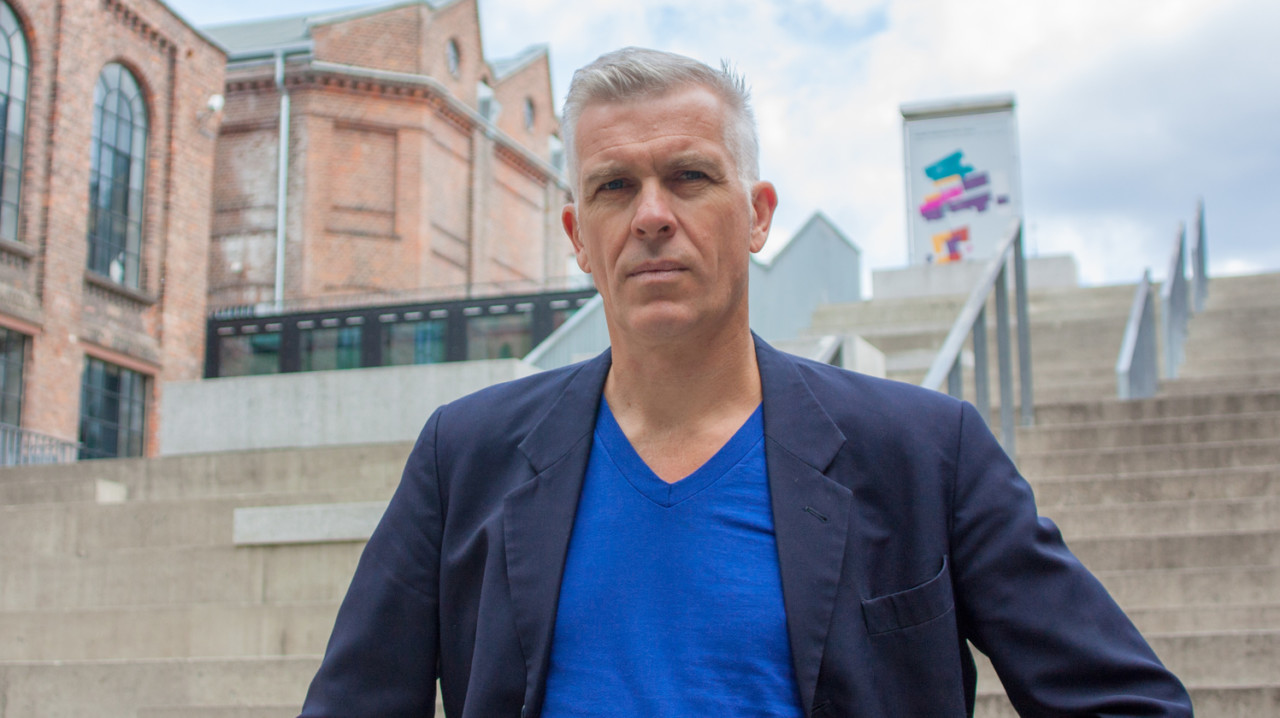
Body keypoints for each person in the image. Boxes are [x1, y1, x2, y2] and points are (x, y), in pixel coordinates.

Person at [299, 47, 1192, 717]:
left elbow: (1127, 703)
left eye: (689, 177)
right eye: (614, 187)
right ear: (578, 236)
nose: (652, 216)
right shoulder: (464, 457)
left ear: (757, 216)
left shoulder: (927, 452)